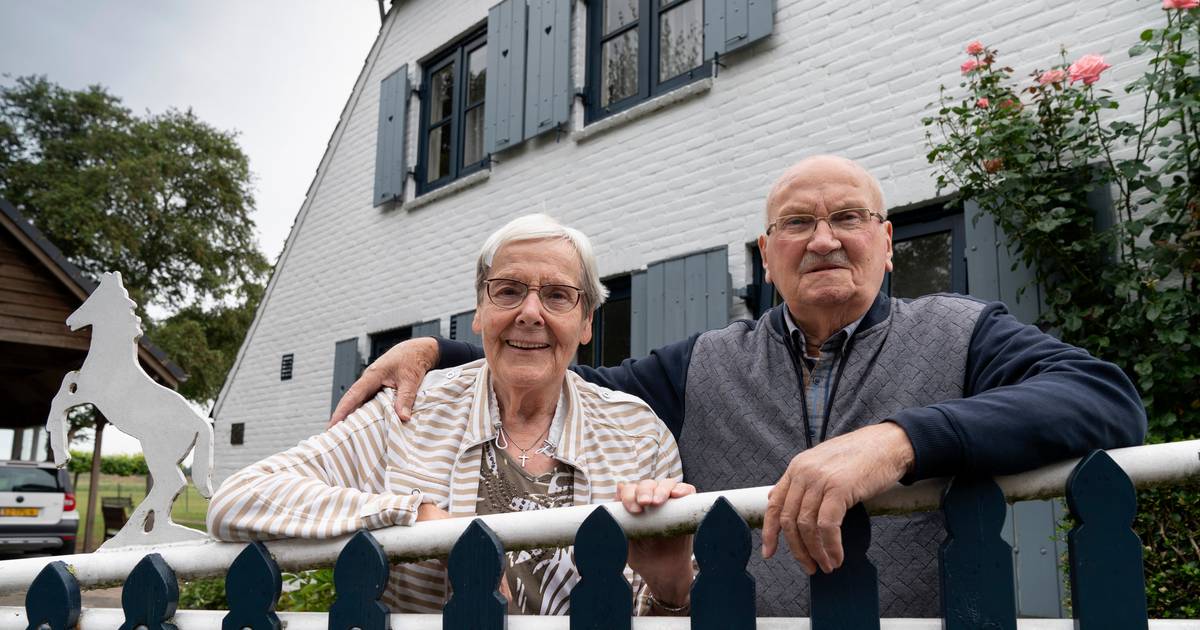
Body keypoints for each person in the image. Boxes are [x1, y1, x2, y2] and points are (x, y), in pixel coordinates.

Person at [330, 156, 1147, 616]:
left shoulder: (962, 331)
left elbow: (1105, 399)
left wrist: (898, 442)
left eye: (848, 218)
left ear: (888, 241)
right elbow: (561, 377)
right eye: (797, 223)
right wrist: (437, 351)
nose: (823, 239)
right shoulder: (705, 362)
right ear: (767, 255)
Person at [208, 214, 695, 615]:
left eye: (557, 296)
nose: (530, 312)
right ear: (479, 310)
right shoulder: (409, 413)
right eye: (507, 291)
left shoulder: (639, 434)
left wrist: (671, 586)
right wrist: (419, 518)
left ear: (586, 321)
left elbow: (664, 616)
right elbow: (239, 499)